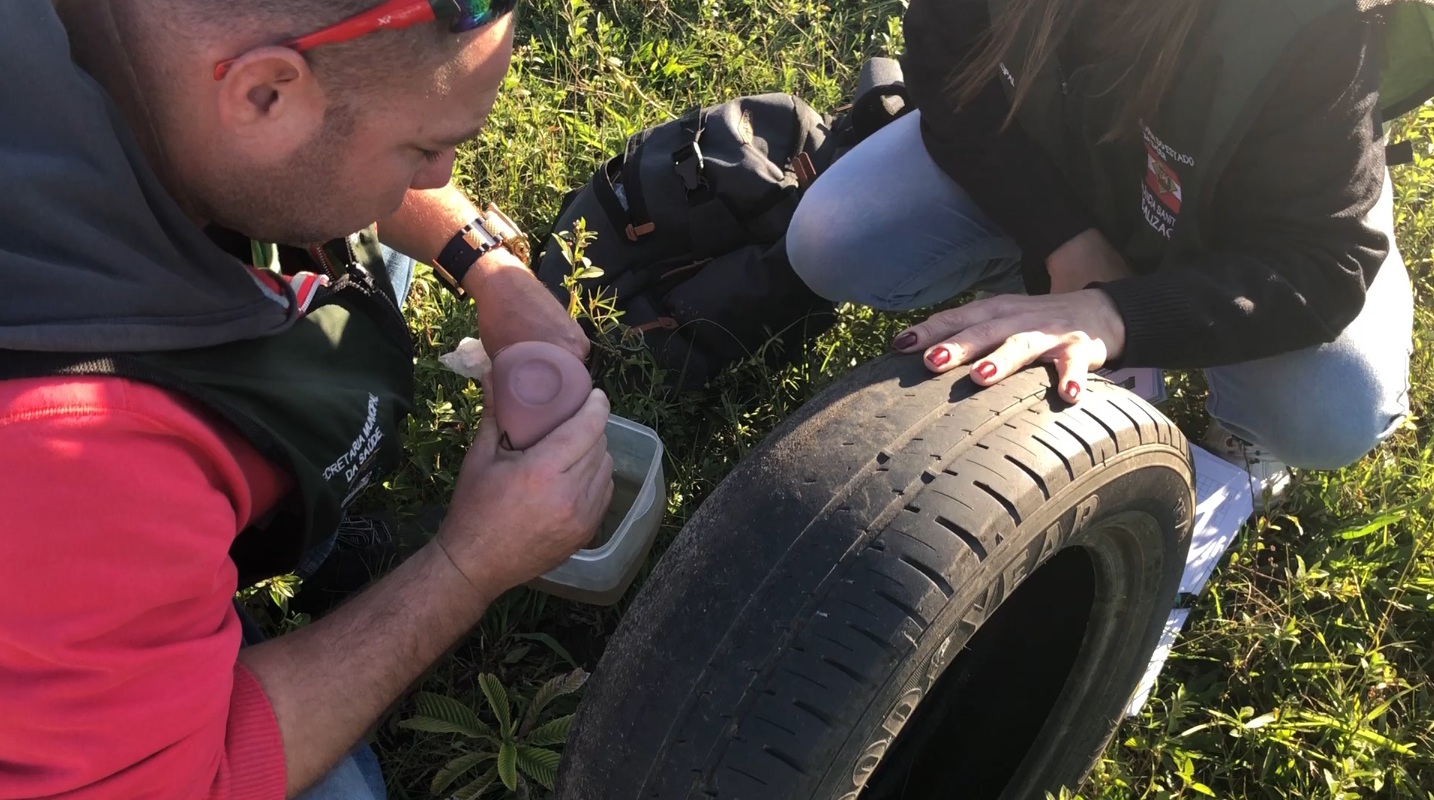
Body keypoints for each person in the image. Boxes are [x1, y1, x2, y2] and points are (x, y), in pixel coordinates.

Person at [0, 1, 612, 798]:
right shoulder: (64, 460)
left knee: (327, 183)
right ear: (263, 96)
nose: (443, 181)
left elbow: (318, 145)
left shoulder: (133, 43)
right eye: (426, 148)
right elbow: (187, 780)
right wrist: (468, 564)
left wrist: (485, 262)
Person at [786, 0, 1414, 505]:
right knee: (834, 237)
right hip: (1073, 152)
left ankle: (1241, 425)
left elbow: (1321, 256)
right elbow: (946, 62)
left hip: (1258, 219)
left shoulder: (1319, 23)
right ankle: (1039, 281)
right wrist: (1064, 238)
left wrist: (1118, 315)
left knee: (1331, 407)